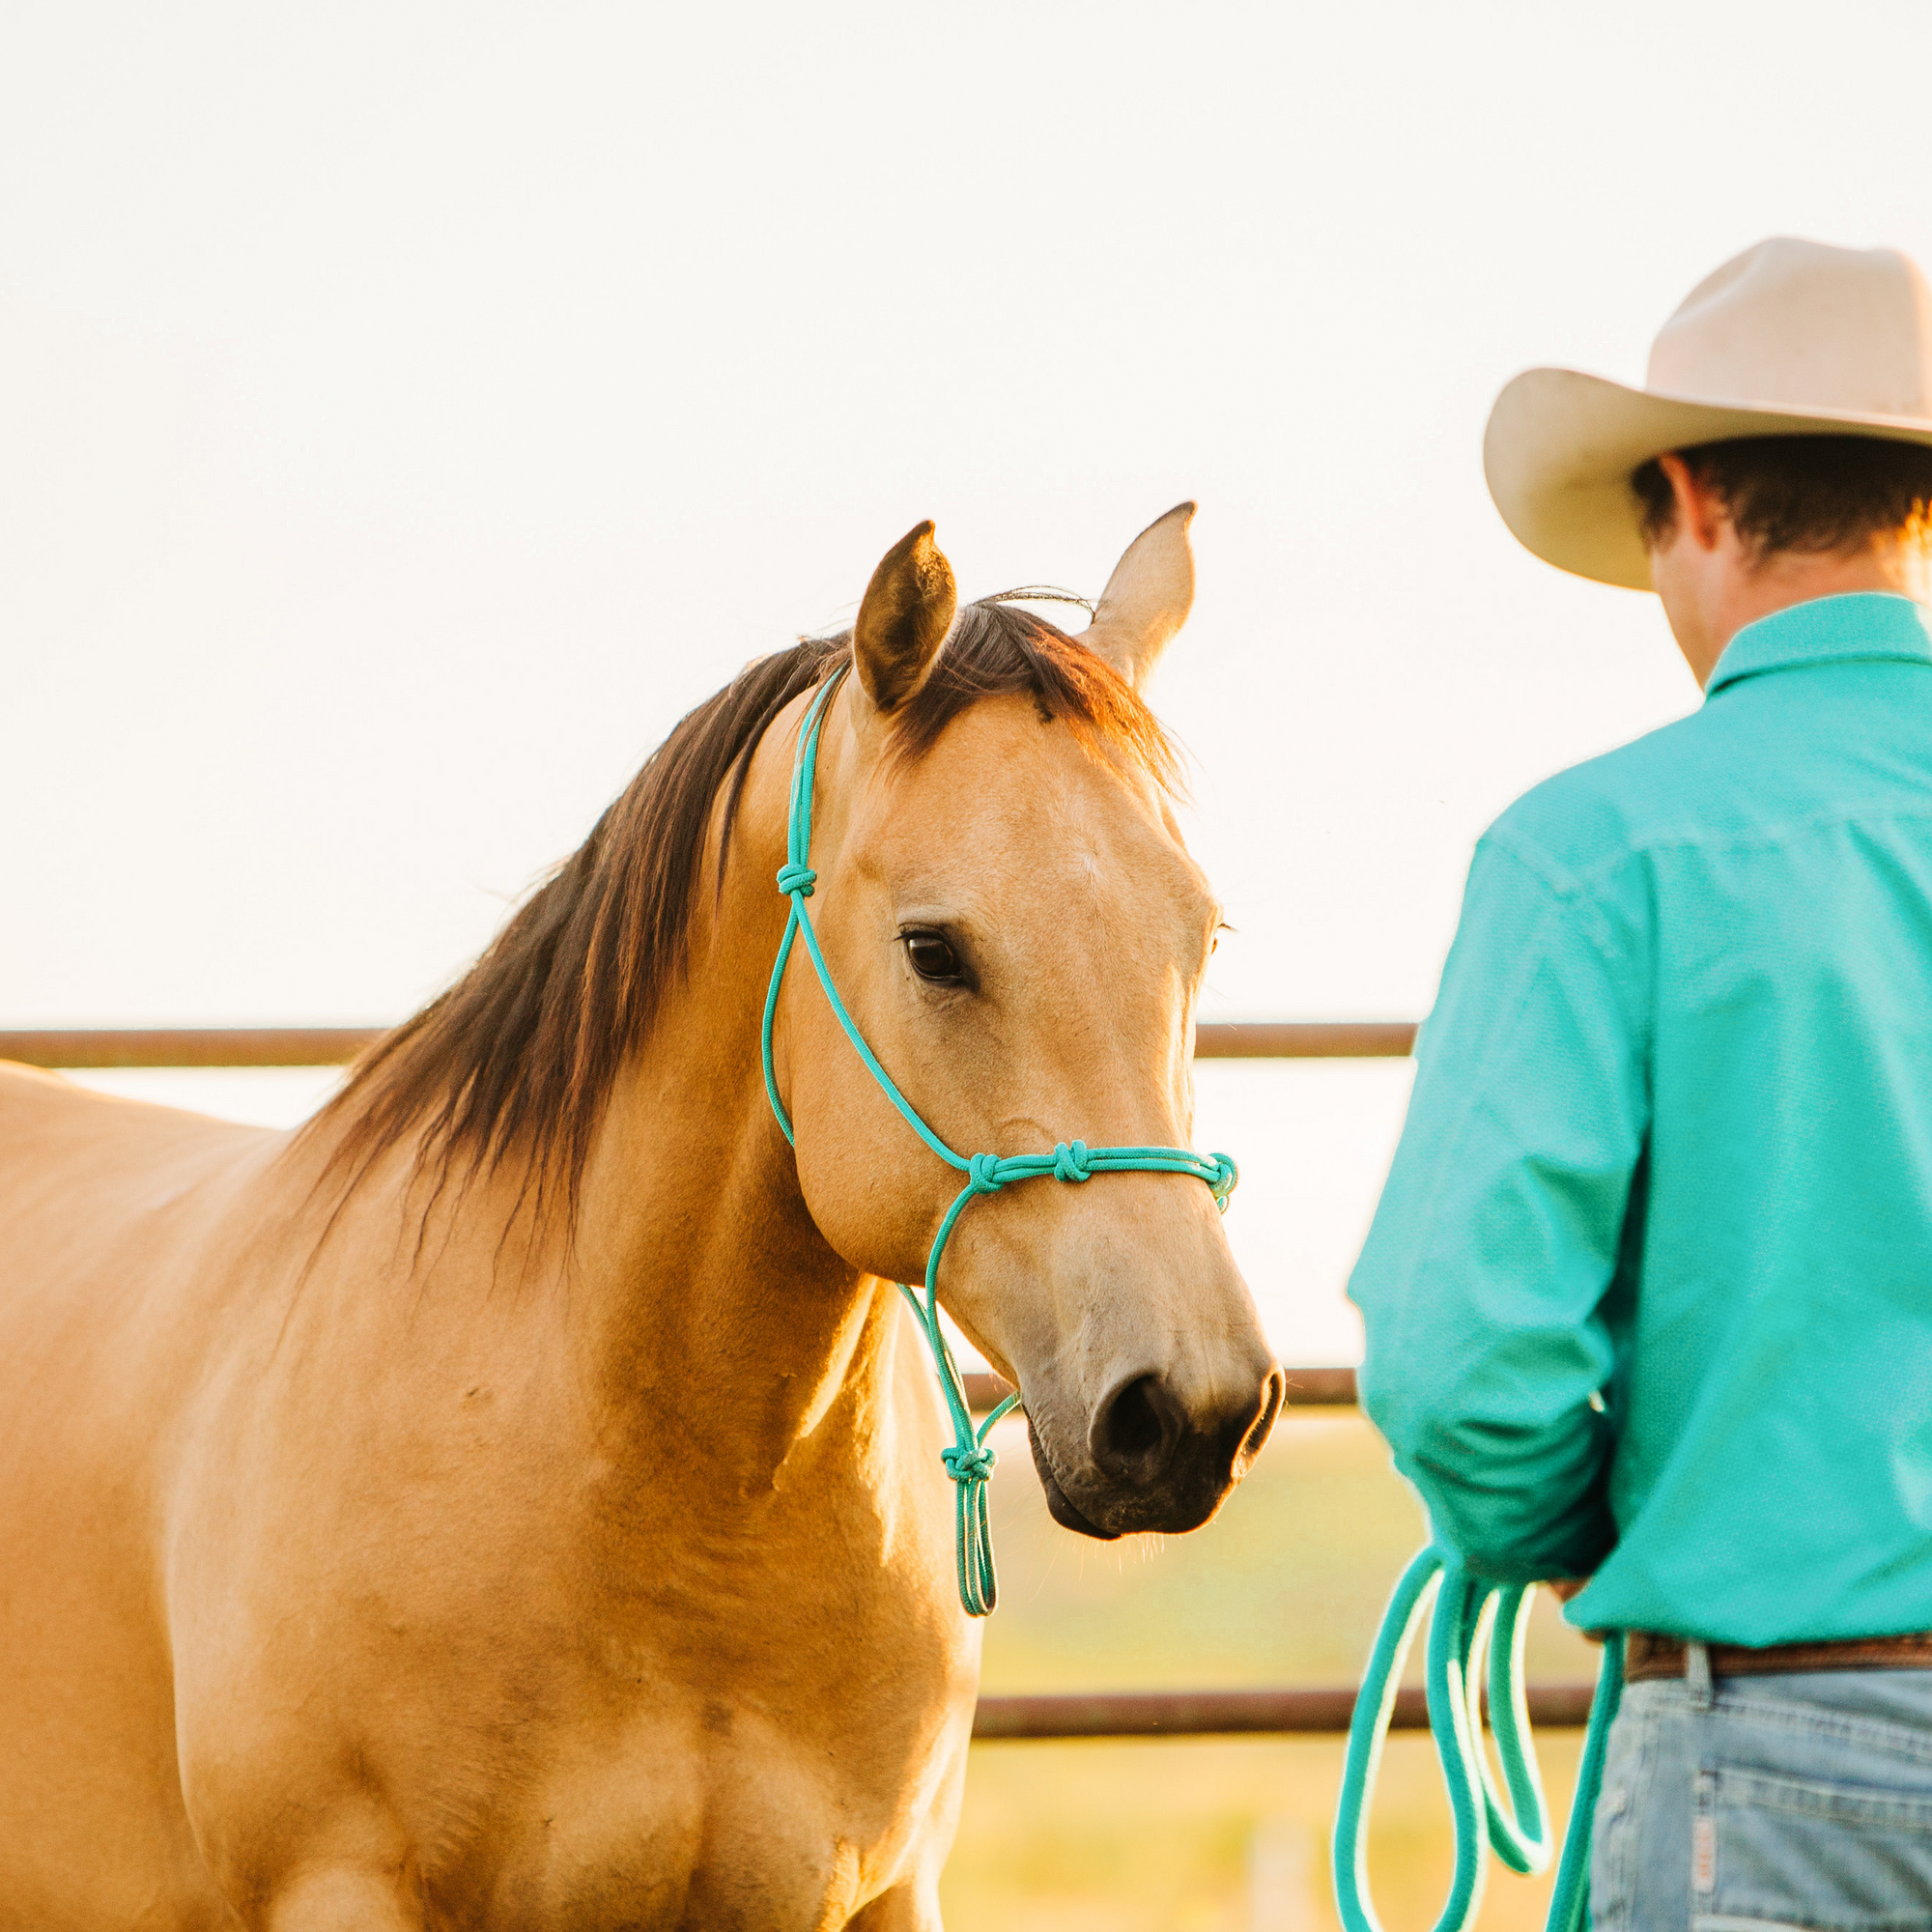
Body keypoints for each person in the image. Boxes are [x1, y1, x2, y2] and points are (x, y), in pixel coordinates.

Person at [1350, 235, 1932, 1927]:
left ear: (1683, 497)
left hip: (1768, 1745)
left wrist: (1584, 1525)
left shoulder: (1593, 858)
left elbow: (1466, 1360)